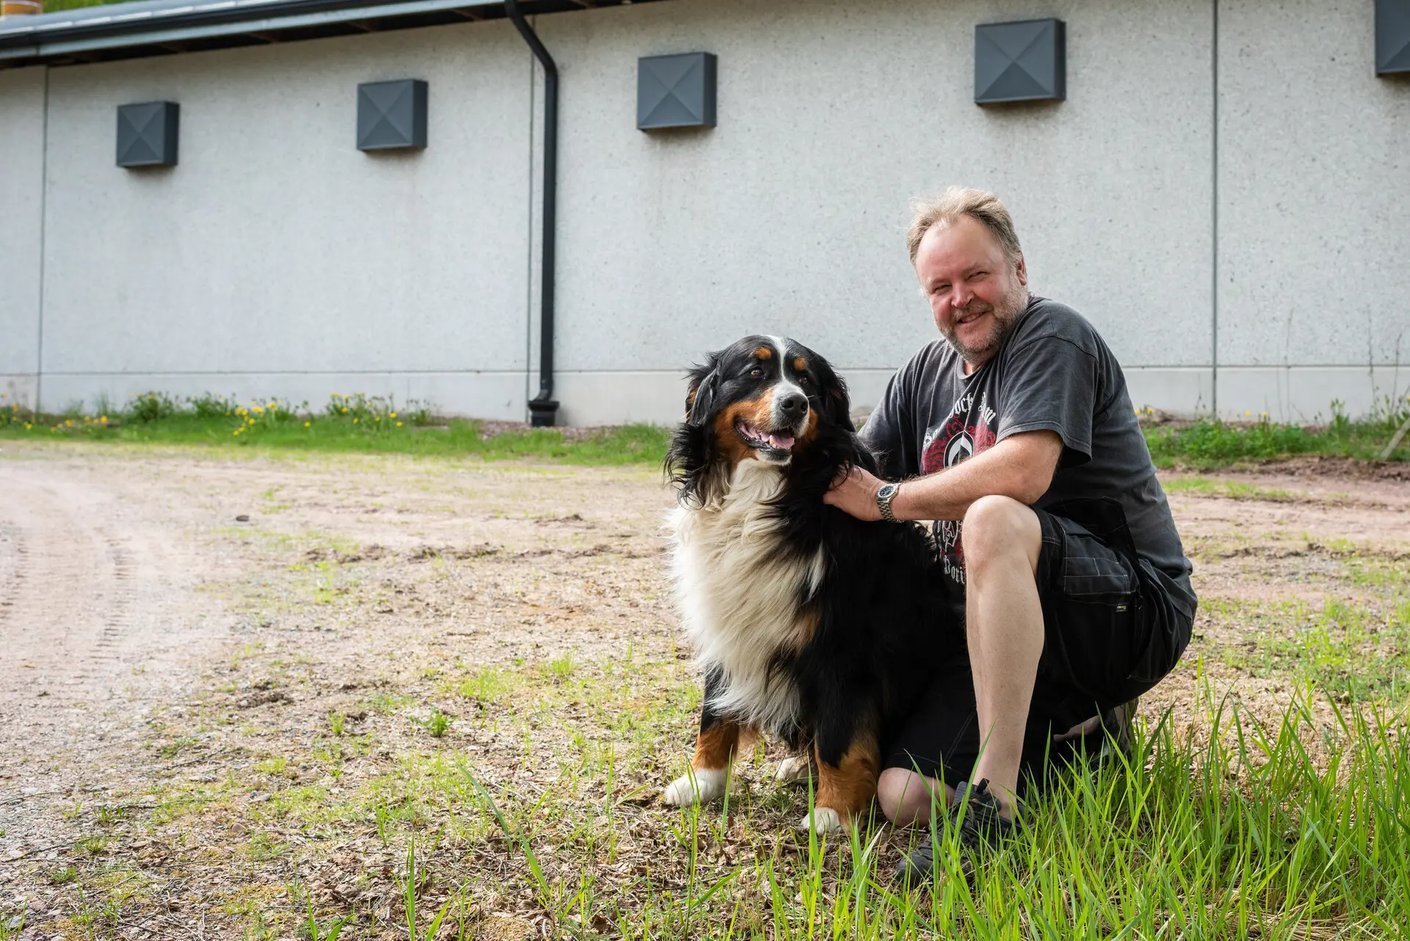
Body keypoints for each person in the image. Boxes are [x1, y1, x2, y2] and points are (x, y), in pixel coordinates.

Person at [823, 187, 1197, 881]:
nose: (960, 297)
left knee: (991, 513)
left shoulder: (1053, 335)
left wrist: (887, 498)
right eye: (940, 286)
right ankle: (1079, 739)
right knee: (904, 796)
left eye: (976, 275)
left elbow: (1023, 471)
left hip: (1125, 609)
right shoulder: (922, 375)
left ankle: (994, 806)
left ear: (1019, 269)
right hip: (998, 624)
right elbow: (853, 478)